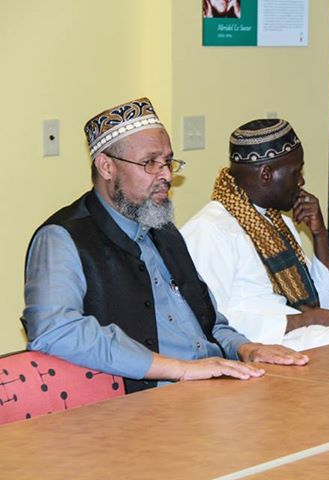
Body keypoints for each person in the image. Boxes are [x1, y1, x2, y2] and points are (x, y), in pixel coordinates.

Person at [23, 98, 308, 395]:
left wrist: (246, 349)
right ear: (106, 167)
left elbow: (209, 322)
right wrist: (181, 370)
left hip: (211, 388)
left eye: (168, 162)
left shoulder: (163, 229)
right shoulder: (62, 238)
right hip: (146, 403)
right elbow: (56, 331)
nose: (167, 176)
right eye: (150, 163)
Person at [182, 119, 329, 351]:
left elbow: (322, 306)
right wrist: (299, 321)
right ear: (266, 174)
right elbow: (206, 320)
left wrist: (320, 235)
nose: (301, 181)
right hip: (263, 350)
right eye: (296, 172)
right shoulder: (210, 229)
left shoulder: (278, 223)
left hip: (304, 340)